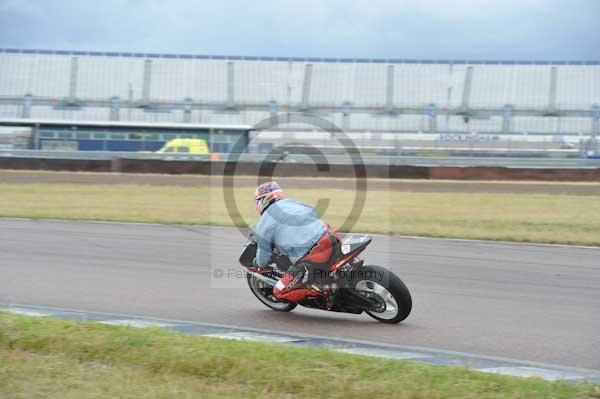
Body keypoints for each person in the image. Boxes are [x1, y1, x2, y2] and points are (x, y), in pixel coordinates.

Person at [253, 181, 341, 303]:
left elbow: (262, 261)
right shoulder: (290, 202)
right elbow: (314, 213)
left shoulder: (263, 224)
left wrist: (257, 263)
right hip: (331, 235)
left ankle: (319, 291)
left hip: (314, 253)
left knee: (279, 292)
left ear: (263, 200)